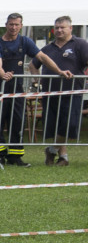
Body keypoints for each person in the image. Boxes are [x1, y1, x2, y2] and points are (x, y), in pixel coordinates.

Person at [0, 12, 72, 168]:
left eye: (16, 24)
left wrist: (59, 71)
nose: (13, 27)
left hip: (17, 89)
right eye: (11, 24)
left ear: (21, 26)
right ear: (6, 25)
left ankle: (15, 157)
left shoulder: (25, 41)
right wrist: (3, 74)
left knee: (17, 122)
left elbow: (43, 57)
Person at [34, 15, 88, 166]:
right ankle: (63, 157)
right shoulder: (47, 48)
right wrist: (35, 78)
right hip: (50, 92)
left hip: (72, 92)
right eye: (56, 27)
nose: (59, 30)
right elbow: (33, 65)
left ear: (70, 28)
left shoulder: (80, 44)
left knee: (69, 125)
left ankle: (51, 150)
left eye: (62, 27)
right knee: (56, 126)